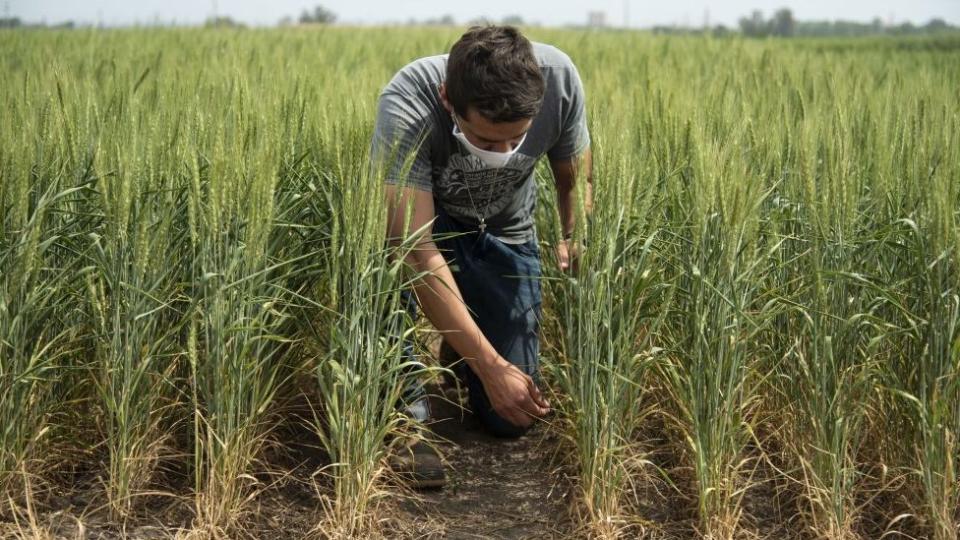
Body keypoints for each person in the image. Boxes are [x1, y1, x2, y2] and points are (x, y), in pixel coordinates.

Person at [371, 25, 592, 488]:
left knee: (509, 417)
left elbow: (574, 177)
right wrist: (491, 367)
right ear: (449, 99)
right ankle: (407, 421)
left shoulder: (560, 80)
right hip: (427, 227)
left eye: (518, 140)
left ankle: (463, 341)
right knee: (380, 268)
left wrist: (573, 233)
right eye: (488, 142)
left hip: (503, 230)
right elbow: (414, 252)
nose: (507, 153)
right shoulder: (410, 100)